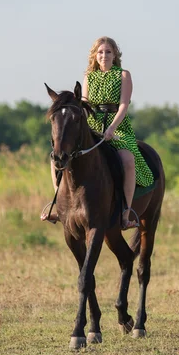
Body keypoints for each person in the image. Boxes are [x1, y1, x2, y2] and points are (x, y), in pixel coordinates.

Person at [41, 36, 154, 229]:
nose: (104, 55)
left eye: (108, 51)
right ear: (95, 55)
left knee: (127, 160)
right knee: (56, 158)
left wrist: (111, 129)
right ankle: (60, 206)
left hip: (117, 126)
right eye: (100, 52)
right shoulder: (89, 77)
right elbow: (83, 104)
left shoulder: (123, 75)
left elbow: (124, 105)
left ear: (114, 54)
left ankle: (126, 213)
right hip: (91, 124)